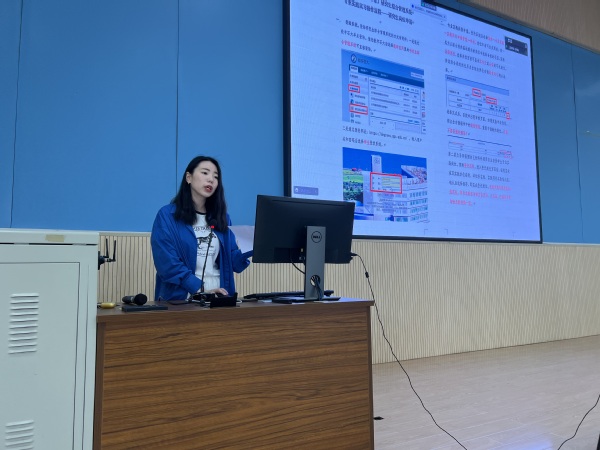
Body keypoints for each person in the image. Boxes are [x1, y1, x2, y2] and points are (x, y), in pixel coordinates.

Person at [151, 156, 251, 301]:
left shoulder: (222, 217)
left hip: (219, 295)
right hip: (182, 298)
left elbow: (234, 263)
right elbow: (166, 263)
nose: (211, 179)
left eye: (216, 177)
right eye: (205, 173)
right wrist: (200, 290)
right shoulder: (168, 215)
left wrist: (251, 246)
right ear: (189, 177)